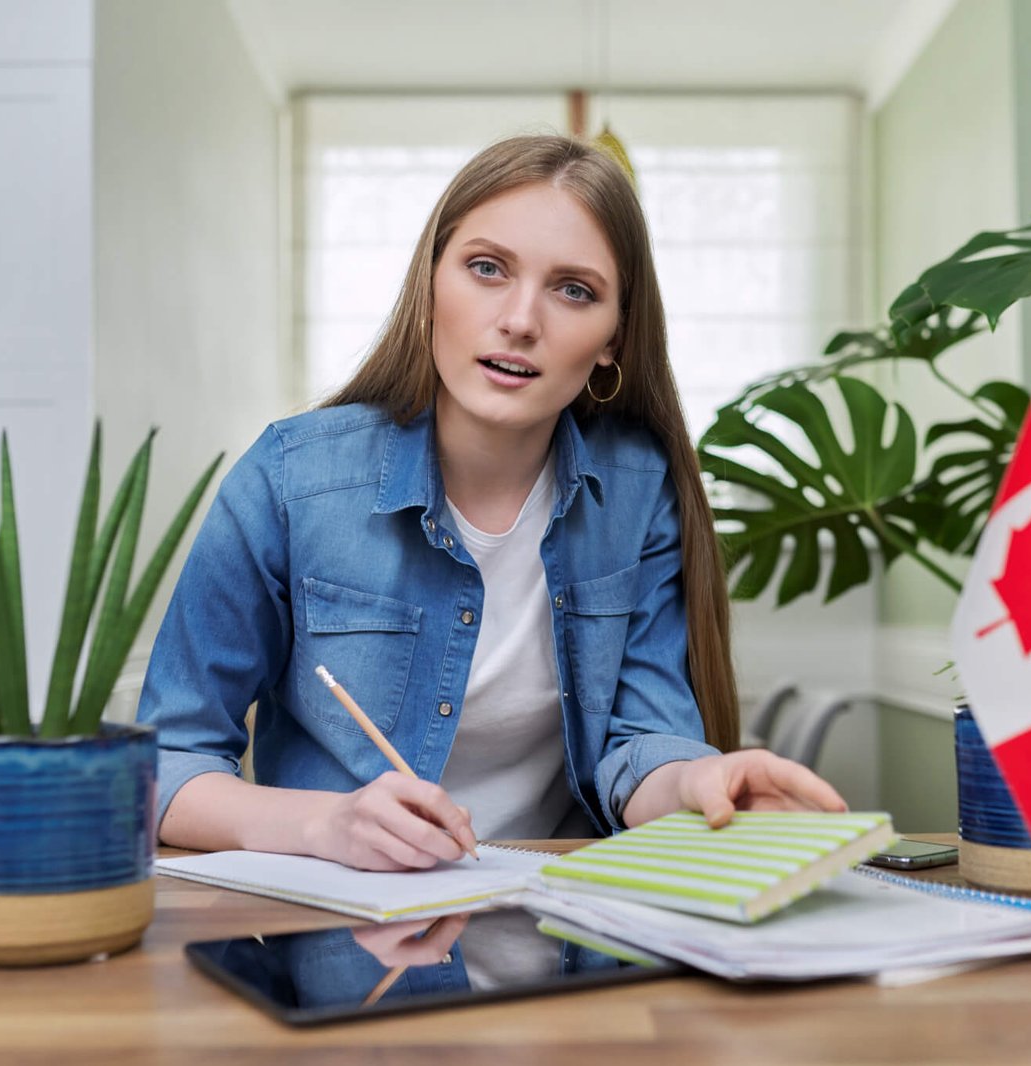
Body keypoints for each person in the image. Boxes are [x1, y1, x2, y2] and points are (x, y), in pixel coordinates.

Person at [138, 133, 845, 877]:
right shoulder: (289, 477)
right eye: (486, 268)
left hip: (575, 942)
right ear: (430, 282)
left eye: (574, 289)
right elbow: (163, 767)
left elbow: (642, 747)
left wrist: (698, 784)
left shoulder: (639, 489)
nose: (520, 320)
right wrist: (325, 824)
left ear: (614, 339)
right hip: (344, 959)